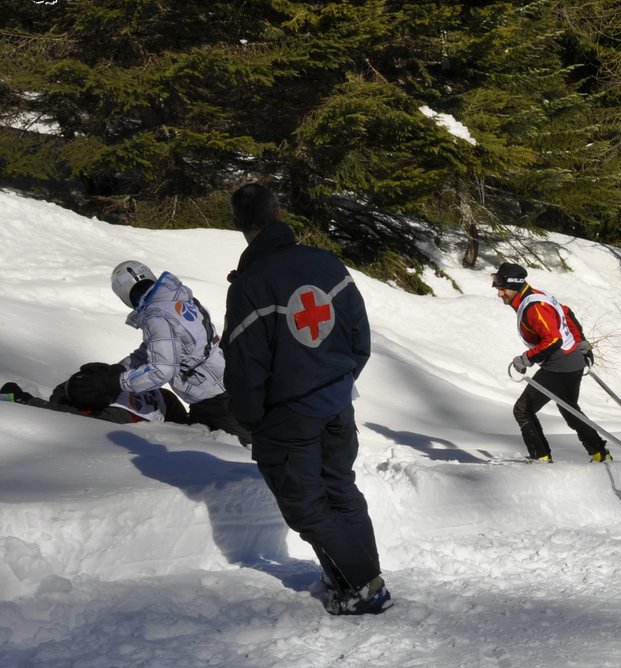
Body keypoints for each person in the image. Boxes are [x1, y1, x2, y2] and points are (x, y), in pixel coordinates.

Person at [222, 183, 390, 617]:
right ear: (279, 214)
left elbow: (245, 368)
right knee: (341, 489)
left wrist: (252, 420)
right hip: (337, 400)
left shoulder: (250, 286)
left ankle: (361, 587)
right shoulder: (327, 263)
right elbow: (359, 338)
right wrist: (339, 379)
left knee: (306, 507)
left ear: (242, 227)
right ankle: (357, 578)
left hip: (288, 415)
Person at [106, 260, 251, 443]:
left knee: (245, 456)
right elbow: (153, 349)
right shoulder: (175, 299)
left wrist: (119, 382)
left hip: (218, 401)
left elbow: (162, 370)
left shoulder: (156, 316)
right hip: (220, 388)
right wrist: (117, 369)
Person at [493, 262, 610, 464]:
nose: (500, 294)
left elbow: (553, 340)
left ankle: (541, 458)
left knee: (523, 410)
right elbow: (566, 312)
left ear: (514, 286)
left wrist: (527, 358)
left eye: (502, 289)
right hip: (571, 363)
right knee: (570, 409)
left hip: (559, 366)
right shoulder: (535, 296)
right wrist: (581, 342)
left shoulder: (533, 307)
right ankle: (600, 454)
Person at [2, 364, 185, 424]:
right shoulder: (109, 380)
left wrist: (25, 401)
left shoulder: (118, 414)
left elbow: (66, 417)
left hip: (171, 412)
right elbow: (65, 389)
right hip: (163, 397)